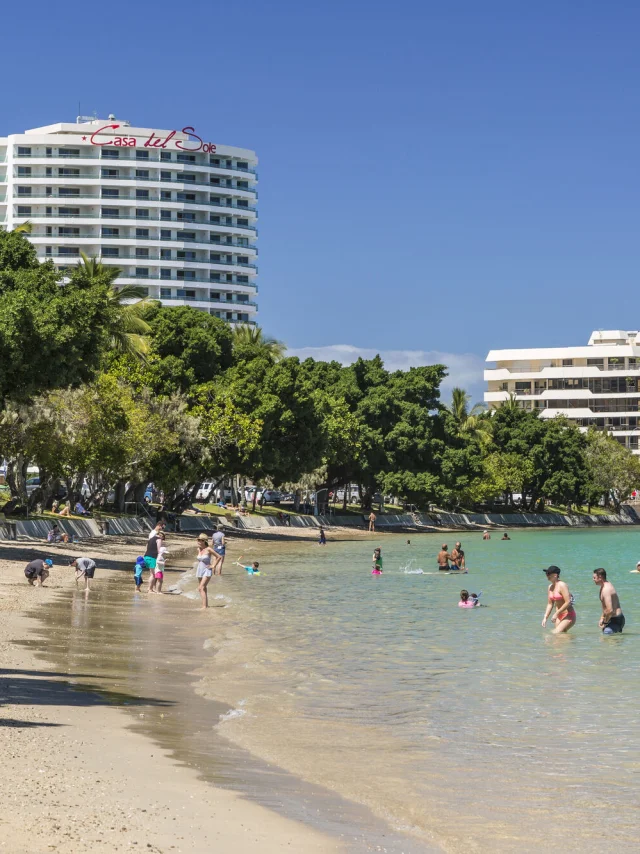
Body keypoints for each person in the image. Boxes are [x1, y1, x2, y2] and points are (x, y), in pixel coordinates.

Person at [541, 566, 576, 634]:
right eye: (546, 573)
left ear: (555, 575)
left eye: (548, 573)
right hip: (559, 616)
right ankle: (571, 642)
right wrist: (545, 617)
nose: (547, 575)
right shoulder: (550, 587)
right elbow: (550, 604)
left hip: (568, 614)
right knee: (560, 637)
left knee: (555, 632)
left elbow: (568, 602)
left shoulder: (562, 585)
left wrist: (556, 613)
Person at [593, 568, 625, 634]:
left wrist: (605, 622)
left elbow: (610, 610)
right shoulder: (604, 585)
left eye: (594, 578)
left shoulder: (606, 589)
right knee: (609, 640)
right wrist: (602, 618)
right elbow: (605, 607)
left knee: (606, 633)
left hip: (616, 619)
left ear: (600, 577)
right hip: (611, 618)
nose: (593, 579)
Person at [196, 535, 216, 609]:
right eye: (198, 540)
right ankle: (205, 605)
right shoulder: (198, 549)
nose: (198, 542)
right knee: (203, 588)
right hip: (200, 569)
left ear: (204, 541)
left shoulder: (209, 549)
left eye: (200, 540)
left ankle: (204, 607)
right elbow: (200, 560)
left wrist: (213, 565)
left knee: (200, 588)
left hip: (207, 570)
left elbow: (219, 557)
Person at [145, 521, 165, 593]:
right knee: (153, 574)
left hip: (148, 555)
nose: (162, 540)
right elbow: (158, 550)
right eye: (162, 527)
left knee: (152, 573)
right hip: (152, 556)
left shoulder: (153, 537)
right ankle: (150, 589)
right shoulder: (157, 538)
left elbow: (148, 545)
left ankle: (151, 588)